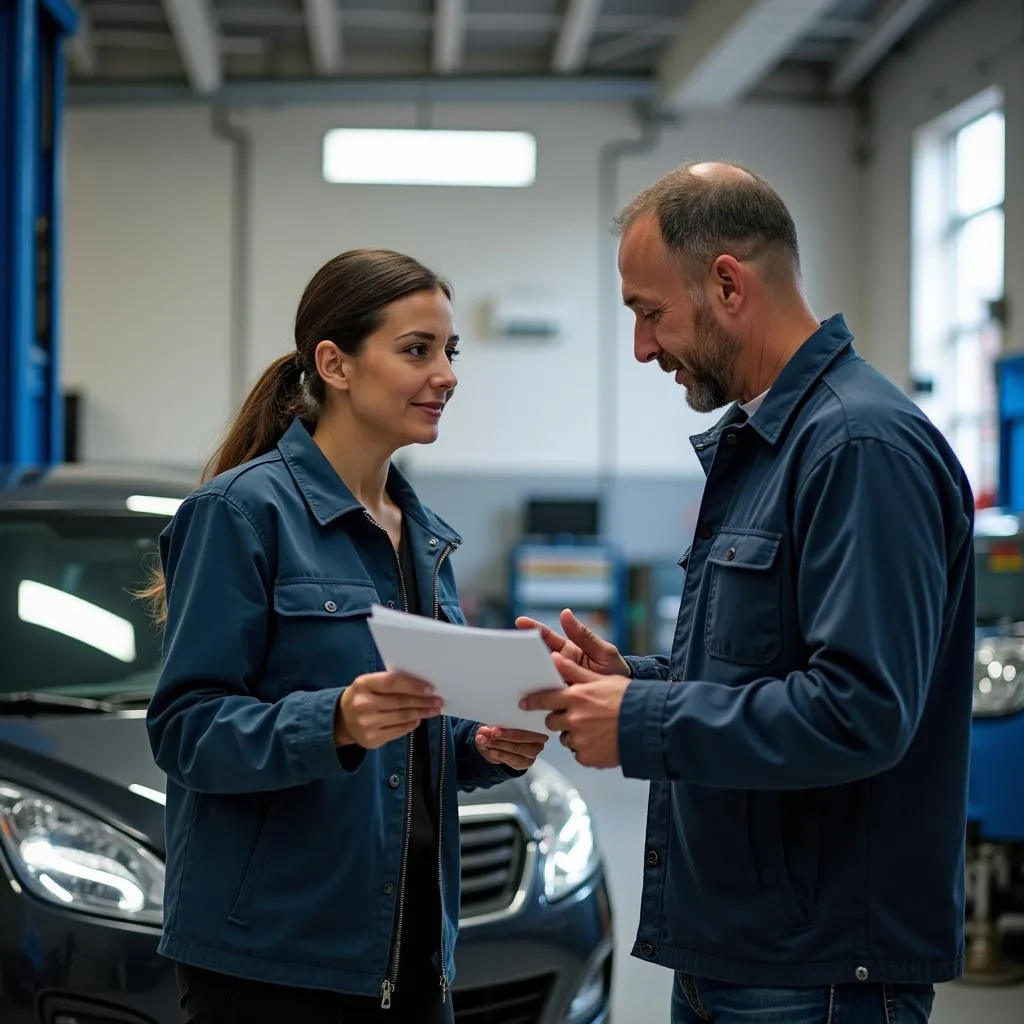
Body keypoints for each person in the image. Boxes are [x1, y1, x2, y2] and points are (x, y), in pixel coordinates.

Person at [520, 162, 975, 1024]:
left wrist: (641, 723)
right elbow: (767, 668)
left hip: (820, 975)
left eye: (649, 313)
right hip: (738, 951)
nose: (643, 348)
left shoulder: (856, 447)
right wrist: (638, 683)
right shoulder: (775, 443)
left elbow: (861, 709)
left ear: (727, 283)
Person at [143, 248, 547, 1024]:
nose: (448, 375)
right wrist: (332, 721)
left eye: (449, 351)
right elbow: (185, 729)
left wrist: (482, 745)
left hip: (411, 953)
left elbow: (419, 736)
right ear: (335, 362)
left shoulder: (423, 538)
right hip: (272, 962)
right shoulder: (240, 515)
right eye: (416, 350)